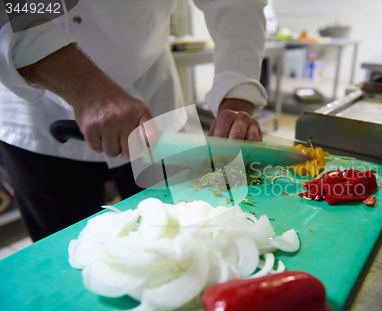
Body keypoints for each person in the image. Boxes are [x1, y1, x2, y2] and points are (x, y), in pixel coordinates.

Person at [0, 0, 268, 241]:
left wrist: (237, 94)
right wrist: (84, 87)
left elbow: (238, 5)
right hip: (39, 109)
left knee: (190, 231)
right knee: (62, 251)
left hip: (152, 94)